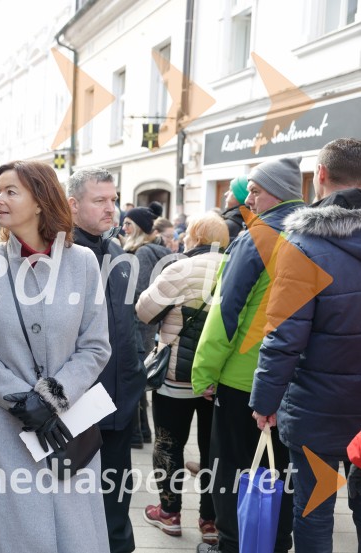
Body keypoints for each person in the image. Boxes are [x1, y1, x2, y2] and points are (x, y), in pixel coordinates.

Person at [0, 160, 111, 553]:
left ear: (40, 200)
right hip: (4, 429)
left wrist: (53, 396)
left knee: (74, 533)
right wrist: (22, 400)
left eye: (11, 191)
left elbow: (95, 345)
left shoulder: (83, 264)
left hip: (67, 426)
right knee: (11, 536)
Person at [250, 138, 361, 553]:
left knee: (314, 512)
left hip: (317, 409)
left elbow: (283, 337)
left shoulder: (304, 246)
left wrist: (264, 401)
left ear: (321, 176)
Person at [192, 156, 306, 553]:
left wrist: (203, 372)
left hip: (245, 380)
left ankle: (232, 543)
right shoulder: (320, 234)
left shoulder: (258, 236)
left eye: (255, 191)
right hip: (300, 382)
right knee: (285, 476)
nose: (249, 201)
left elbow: (226, 313)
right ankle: (276, 543)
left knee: (234, 475)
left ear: (276, 193)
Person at [136, 212, 229, 545]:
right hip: (220, 380)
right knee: (213, 448)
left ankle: (169, 513)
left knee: (168, 443)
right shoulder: (236, 267)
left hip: (175, 375)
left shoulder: (179, 268)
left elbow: (143, 311)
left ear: (195, 236)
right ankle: (210, 520)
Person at [67, 167, 146, 552]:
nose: (110, 208)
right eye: (100, 200)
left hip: (118, 400)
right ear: (73, 204)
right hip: (77, 402)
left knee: (116, 500)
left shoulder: (116, 252)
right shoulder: (61, 255)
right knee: (75, 498)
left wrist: (135, 376)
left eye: (113, 200)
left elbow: (127, 323)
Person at [123, 206, 171, 449]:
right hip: (147, 323)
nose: (124, 228)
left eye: (129, 224)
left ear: (139, 228)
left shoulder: (142, 253)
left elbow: (138, 291)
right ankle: (142, 432)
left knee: (134, 376)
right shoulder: (155, 250)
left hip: (137, 322)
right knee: (138, 376)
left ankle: (137, 434)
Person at [221, 176, 248, 242]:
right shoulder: (252, 221)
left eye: (230, 190)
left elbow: (213, 250)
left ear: (241, 196)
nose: (225, 194)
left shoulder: (226, 226)